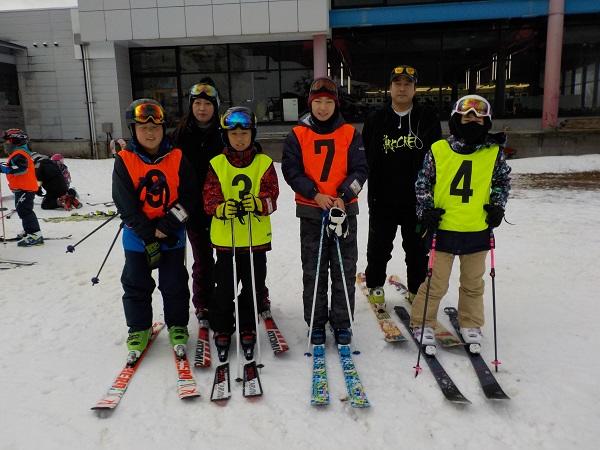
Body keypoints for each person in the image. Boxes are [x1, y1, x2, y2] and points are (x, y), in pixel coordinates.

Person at [410, 94, 511, 353]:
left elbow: (501, 181)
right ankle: (422, 321)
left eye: (478, 120)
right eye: (467, 118)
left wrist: (498, 205)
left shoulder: (493, 152)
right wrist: (426, 209)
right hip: (443, 228)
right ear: (456, 121)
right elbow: (423, 182)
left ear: (486, 123)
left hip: (476, 228)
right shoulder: (439, 149)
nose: (472, 123)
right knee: (436, 282)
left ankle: (471, 322)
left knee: (473, 283)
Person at [281, 77, 368, 346]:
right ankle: (316, 322)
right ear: (310, 103)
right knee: (314, 270)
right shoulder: (298, 134)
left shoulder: (350, 134)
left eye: (328, 102)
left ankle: (342, 322)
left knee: (344, 269)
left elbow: (361, 170)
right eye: (317, 101)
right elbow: (291, 171)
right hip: (312, 212)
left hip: (344, 212)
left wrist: (344, 196)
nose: (322, 107)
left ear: (336, 104)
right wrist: (314, 194)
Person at [112, 99, 198, 361]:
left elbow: (190, 196)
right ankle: (139, 328)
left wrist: (168, 225)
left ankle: (178, 325)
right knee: (136, 283)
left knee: (174, 283)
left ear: (163, 129)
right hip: (137, 236)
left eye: (155, 128)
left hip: (171, 234)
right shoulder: (125, 160)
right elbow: (124, 202)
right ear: (133, 130)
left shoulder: (177, 157)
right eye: (143, 128)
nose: (150, 133)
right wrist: (147, 232)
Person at [203, 106, 279, 359]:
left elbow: (272, 199)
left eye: (244, 133)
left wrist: (258, 203)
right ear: (225, 136)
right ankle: (223, 326)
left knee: (253, 286)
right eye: (233, 134)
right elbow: (209, 199)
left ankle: (248, 325)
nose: (239, 138)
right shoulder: (217, 164)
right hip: (227, 241)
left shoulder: (264, 163)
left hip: (255, 240)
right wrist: (221, 208)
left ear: (252, 134)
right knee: (224, 287)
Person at [363, 65, 442, 305]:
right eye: (397, 83)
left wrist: (433, 196)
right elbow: (366, 157)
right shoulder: (376, 119)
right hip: (382, 198)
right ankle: (375, 285)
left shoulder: (427, 119)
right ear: (390, 87)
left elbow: (438, 158)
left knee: (417, 250)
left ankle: (417, 290)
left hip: (417, 200)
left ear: (415, 89)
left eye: (408, 84)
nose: (402, 88)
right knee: (378, 247)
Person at [171, 78, 224, 323]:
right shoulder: (178, 135)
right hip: (193, 209)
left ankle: (225, 299)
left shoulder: (224, 133)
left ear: (216, 106)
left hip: (221, 207)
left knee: (227, 258)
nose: (202, 108)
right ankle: (203, 303)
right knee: (202, 260)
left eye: (207, 103)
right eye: (197, 103)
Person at [0, 129, 44, 246]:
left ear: (16, 141)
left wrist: (5, 169)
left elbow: (21, 169)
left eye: (8, 141)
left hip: (25, 188)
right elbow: (14, 166)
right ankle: (29, 230)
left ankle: (35, 235)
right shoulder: (19, 153)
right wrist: (4, 166)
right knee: (22, 210)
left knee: (25, 210)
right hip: (22, 188)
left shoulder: (20, 154)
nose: (5, 144)